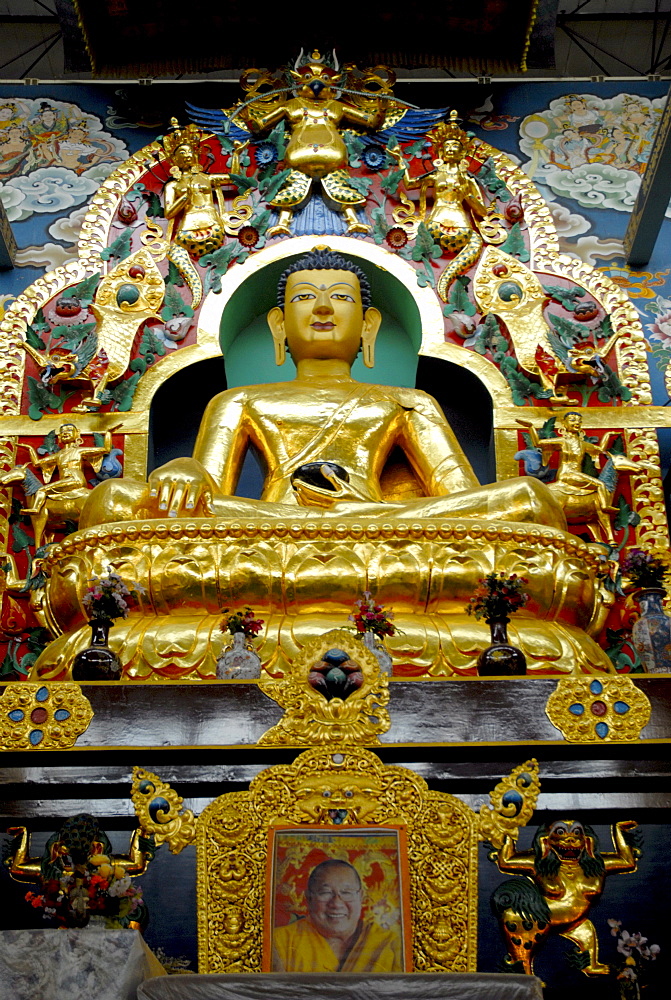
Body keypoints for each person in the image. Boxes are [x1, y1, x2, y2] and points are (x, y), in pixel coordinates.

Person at [80, 248, 565, 531]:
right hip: (267, 527)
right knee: (111, 501)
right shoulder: (238, 401)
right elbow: (205, 495)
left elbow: (459, 501)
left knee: (530, 499)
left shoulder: (408, 403)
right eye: (305, 298)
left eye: (341, 299)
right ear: (279, 325)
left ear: (368, 324)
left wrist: (371, 514)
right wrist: (183, 471)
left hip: (377, 524)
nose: (323, 310)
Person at [272, 859, 402, 973]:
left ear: (361, 897)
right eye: (325, 892)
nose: (336, 903)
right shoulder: (279, 942)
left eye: (346, 892)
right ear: (309, 899)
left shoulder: (390, 945)